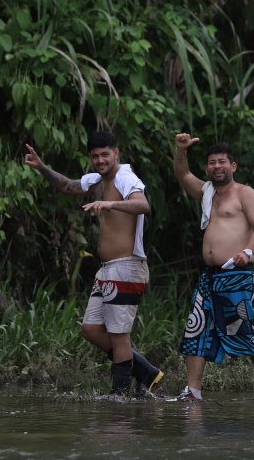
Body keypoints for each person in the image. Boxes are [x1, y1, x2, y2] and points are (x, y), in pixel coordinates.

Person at [24, 130, 165, 396]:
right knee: (90, 330)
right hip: (108, 270)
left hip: (127, 266)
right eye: (95, 156)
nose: (100, 160)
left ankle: (119, 396)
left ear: (116, 153)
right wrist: (41, 167)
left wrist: (111, 205)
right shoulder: (98, 179)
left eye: (105, 155)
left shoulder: (125, 177)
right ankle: (146, 372)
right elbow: (67, 185)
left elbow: (142, 205)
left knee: (119, 336)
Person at [168, 133, 254, 402]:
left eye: (222, 162)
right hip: (209, 276)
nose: (216, 166)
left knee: (246, 325)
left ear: (233, 166)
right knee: (197, 327)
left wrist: (247, 251)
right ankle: (193, 391)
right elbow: (182, 174)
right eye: (211, 163)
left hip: (236, 274)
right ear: (207, 168)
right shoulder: (206, 191)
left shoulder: (245, 193)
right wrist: (181, 149)